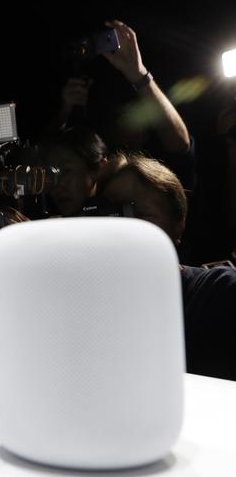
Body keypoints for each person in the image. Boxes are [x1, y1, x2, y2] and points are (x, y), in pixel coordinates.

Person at [100, 154, 236, 381]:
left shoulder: (220, 294)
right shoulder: (90, 311)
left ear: (178, 225)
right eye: (114, 214)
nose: (126, 227)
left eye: (141, 215)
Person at [54, 20, 195, 189]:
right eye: (119, 118)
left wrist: (139, 73)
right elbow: (47, 158)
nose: (128, 124)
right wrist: (65, 111)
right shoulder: (97, 175)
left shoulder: (159, 173)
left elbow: (180, 144)